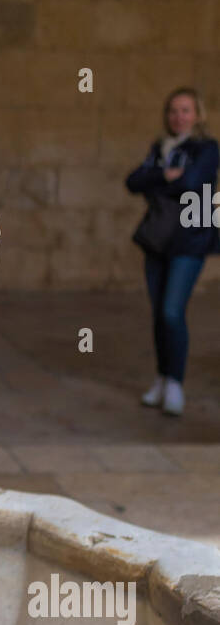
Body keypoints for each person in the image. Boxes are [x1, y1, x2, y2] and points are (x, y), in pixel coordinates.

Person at [125, 87, 219, 417]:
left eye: (185, 110)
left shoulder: (207, 148)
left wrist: (159, 180)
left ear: (197, 114)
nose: (179, 116)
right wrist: (165, 173)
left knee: (171, 312)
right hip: (158, 239)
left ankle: (176, 383)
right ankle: (162, 378)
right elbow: (133, 181)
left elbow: (193, 183)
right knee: (157, 314)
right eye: (173, 111)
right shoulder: (159, 148)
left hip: (190, 241)